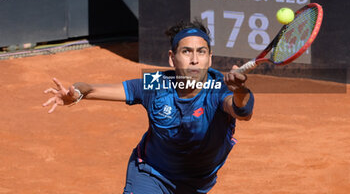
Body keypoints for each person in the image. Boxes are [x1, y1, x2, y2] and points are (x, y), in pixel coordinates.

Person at [43, 20, 254, 194]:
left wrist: (239, 90)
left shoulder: (219, 90)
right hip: (151, 173)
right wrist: (77, 93)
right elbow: (91, 89)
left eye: (201, 52)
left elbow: (242, 111)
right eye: (186, 52)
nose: (194, 60)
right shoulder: (155, 84)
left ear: (210, 59)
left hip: (197, 184)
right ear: (172, 59)